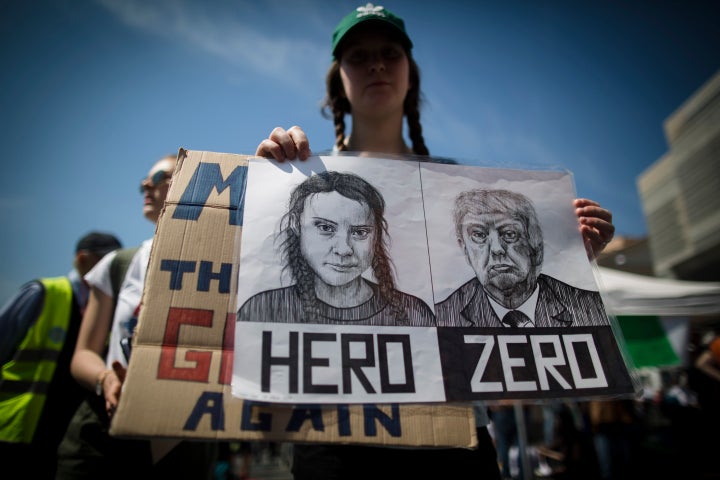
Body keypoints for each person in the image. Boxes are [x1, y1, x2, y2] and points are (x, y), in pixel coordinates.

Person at [253, 4, 614, 479]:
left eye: (390, 53)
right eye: (359, 57)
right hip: (333, 436)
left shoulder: (461, 187)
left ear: (410, 74)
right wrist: (268, 182)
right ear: (338, 80)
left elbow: (499, 323)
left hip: (452, 432)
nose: (377, 65)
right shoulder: (301, 175)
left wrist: (565, 257)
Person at [55, 154, 217, 479]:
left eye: (160, 176)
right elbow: (84, 354)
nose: (146, 184)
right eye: (145, 179)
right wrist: (106, 379)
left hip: (181, 433)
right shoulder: (118, 264)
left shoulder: (222, 268)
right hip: (103, 433)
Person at [237, 170, 435, 326]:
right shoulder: (263, 309)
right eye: (325, 228)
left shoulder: (413, 313)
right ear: (297, 225)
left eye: (359, 232)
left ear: (376, 235)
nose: (343, 249)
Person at [0, 231, 121, 479]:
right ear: (82, 259)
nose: (112, 270)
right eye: (106, 261)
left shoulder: (110, 310)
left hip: (67, 432)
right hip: (16, 427)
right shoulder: (42, 293)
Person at [435, 188, 611, 327]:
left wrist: (577, 254)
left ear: (534, 241)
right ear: (464, 248)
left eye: (509, 233)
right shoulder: (441, 316)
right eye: (479, 235)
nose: (497, 250)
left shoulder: (586, 307)